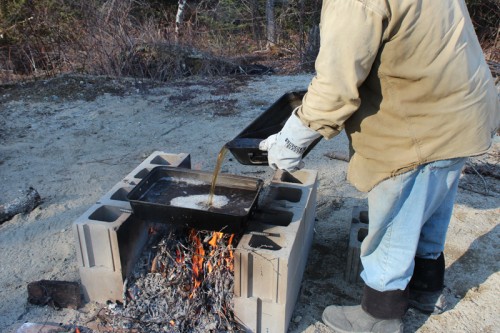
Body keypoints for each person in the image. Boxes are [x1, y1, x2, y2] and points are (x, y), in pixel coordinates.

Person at [259, 0, 499, 332]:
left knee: (394, 221)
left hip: (421, 122)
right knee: (431, 204)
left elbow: (336, 88)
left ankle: (379, 315)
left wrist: (291, 140)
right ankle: (426, 289)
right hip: (462, 108)